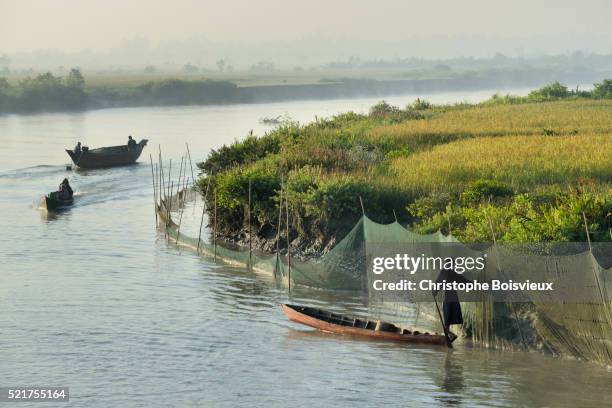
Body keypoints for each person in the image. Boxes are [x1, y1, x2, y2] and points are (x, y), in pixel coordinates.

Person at [432, 267, 471, 342]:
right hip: (452, 296)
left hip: (447, 297)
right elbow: (463, 281)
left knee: (447, 316)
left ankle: (449, 334)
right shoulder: (452, 273)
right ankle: (449, 334)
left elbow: (439, 283)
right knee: (448, 316)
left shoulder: (446, 272)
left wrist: (434, 291)